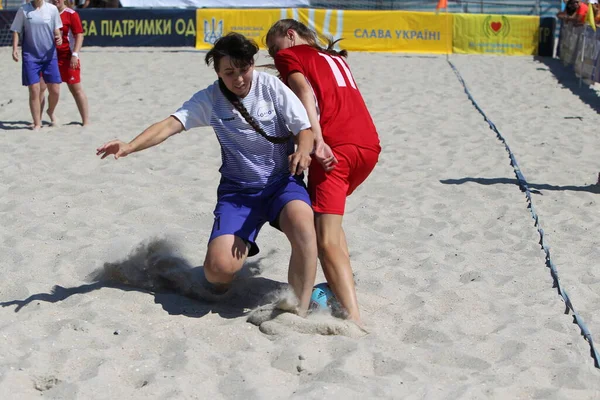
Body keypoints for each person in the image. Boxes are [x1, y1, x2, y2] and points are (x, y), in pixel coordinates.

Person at [96, 32, 318, 316]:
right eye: (229, 72)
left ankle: (298, 307)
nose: (238, 78)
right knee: (217, 272)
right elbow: (169, 125)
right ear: (218, 72)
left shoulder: (272, 87)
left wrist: (303, 150)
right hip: (239, 193)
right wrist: (129, 146)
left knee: (303, 226)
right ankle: (232, 260)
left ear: (252, 63)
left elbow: (305, 128)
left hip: (281, 183)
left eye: (244, 69)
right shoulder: (211, 99)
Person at [266, 19, 382, 326]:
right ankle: (338, 288)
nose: (274, 54)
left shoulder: (292, 54)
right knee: (329, 221)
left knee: (325, 240)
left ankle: (353, 319)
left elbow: (305, 93)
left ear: (290, 35)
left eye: (274, 47)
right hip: (368, 146)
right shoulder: (334, 57)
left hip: (336, 148)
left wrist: (316, 139)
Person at [10, 0, 63, 130]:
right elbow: (16, 30)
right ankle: (37, 122)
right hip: (30, 56)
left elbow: (57, 29)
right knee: (34, 89)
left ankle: (50, 111)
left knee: (55, 90)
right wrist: (14, 48)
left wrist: (59, 37)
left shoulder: (52, 9)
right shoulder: (24, 9)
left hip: (49, 55)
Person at [41, 0, 90, 126]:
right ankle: (43, 117)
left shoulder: (71, 14)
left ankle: (86, 121)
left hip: (68, 57)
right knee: (43, 88)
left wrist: (75, 54)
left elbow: (79, 35)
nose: (56, 0)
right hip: (49, 58)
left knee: (76, 89)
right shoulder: (45, 13)